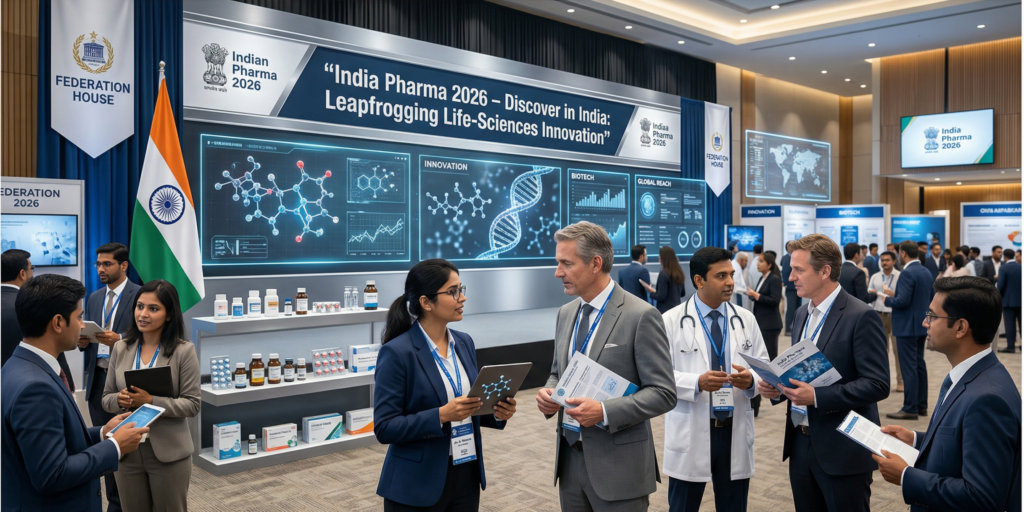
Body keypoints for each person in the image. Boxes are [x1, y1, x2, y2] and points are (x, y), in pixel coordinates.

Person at [535, 221, 675, 512]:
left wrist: (604, 411)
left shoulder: (641, 316)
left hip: (619, 469)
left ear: (595, 263)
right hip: (570, 464)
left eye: (566, 263)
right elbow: (557, 373)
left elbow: (663, 393)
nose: (557, 272)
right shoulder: (566, 313)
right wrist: (550, 394)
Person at [758, 234, 889, 512]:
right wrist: (778, 388)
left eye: (798, 270)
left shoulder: (860, 315)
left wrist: (817, 397)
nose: (790, 277)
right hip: (800, 444)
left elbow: (878, 384)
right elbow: (802, 371)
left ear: (825, 271)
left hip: (842, 448)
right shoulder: (802, 314)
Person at [374, 259, 516, 511]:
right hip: (417, 482)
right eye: (453, 292)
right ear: (426, 303)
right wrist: (441, 415)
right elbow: (385, 427)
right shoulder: (397, 353)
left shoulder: (464, 342)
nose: (462, 298)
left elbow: (469, 405)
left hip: (465, 473)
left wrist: (496, 412)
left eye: (462, 289)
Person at [874, 276, 1021, 512]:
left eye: (932, 316)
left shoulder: (987, 399)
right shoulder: (970, 374)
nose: (925, 323)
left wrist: (906, 476)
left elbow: (982, 496)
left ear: (961, 327)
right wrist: (914, 439)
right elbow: (964, 443)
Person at [1, 274, 147, 511]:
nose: (82, 325)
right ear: (58, 323)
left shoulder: (17, 364)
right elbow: (52, 474)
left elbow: (51, 440)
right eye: (79, 317)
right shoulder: (35, 388)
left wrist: (102, 433)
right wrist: (115, 446)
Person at [661, 247, 769, 512]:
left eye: (731, 274)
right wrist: (696, 382)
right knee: (683, 506)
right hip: (692, 427)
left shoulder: (745, 319)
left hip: (735, 428)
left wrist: (751, 380)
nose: (731, 282)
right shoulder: (670, 321)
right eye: (721, 276)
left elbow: (764, 368)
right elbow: (657, 378)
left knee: (734, 506)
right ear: (699, 280)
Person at [101, 279, 200, 512]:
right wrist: (120, 399)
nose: (143, 314)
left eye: (153, 309)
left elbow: (192, 404)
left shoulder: (183, 351)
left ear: (168, 314)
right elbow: (106, 397)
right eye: (140, 306)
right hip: (127, 450)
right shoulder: (121, 347)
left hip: (169, 452)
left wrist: (150, 401)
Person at [75, 243, 140, 512]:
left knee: (130, 449)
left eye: (107, 264)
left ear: (123, 265)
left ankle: (130, 502)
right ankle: (114, 503)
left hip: (127, 382)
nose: (101, 269)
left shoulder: (140, 295)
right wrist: (80, 341)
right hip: (98, 380)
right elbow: (88, 340)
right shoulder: (93, 298)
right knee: (107, 444)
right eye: (98, 264)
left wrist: (120, 340)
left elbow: (150, 337)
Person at [1, 250, 76, 388]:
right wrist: (68, 385)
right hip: (34, 385)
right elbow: (53, 345)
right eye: (32, 269)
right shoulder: (33, 305)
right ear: (22, 273)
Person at [883, 241, 934, 420]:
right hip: (921, 325)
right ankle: (921, 405)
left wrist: (887, 300)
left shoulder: (906, 273)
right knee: (919, 364)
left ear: (902, 254)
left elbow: (902, 301)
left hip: (906, 327)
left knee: (909, 367)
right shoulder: (926, 272)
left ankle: (910, 408)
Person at [868, 251, 903, 392]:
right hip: (879, 315)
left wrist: (892, 294)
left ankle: (901, 382)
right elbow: (868, 291)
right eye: (882, 260)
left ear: (894, 261)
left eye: (887, 260)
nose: (884, 263)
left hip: (895, 316)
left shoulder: (901, 276)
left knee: (897, 350)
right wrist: (873, 293)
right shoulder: (875, 276)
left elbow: (904, 296)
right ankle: (882, 382)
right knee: (881, 350)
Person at [747, 251, 783, 361]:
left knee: (770, 356)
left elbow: (775, 300)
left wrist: (756, 295)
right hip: (762, 322)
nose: (758, 264)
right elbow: (760, 295)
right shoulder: (762, 278)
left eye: (761, 261)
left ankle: (771, 378)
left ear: (769, 265)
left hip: (770, 324)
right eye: (758, 261)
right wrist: (752, 295)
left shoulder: (774, 279)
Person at [640, 246, 687, 314]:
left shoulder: (663, 274)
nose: (658, 257)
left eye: (660, 255)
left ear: (664, 257)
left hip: (666, 311)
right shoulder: (679, 272)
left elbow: (661, 296)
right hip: (677, 310)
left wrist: (651, 292)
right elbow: (682, 293)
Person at [996, 249, 1021, 354]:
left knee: (1010, 324)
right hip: (1021, 301)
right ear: (1014, 256)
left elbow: (1000, 286)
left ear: (1005, 257)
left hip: (1008, 301)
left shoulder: (1003, 268)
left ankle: (1011, 346)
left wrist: (997, 296)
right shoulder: (1021, 267)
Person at [782, 241, 799, 336]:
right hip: (790, 288)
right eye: (790, 245)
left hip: (797, 287)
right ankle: (788, 328)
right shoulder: (786, 258)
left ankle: (795, 327)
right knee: (791, 308)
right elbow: (785, 272)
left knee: (797, 308)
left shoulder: (794, 257)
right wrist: (787, 284)